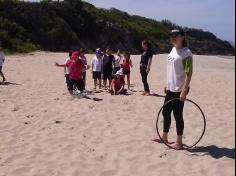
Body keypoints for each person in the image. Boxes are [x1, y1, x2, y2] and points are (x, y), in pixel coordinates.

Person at [158, 29, 193, 150]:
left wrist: (184, 90)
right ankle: (165, 137)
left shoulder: (186, 53)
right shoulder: (173, 49)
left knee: (178, 115)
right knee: (165, 112)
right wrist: (167, 83)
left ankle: (179, 142)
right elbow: (171, 69)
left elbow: (189, 73)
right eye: (171, 35)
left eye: (175, 35)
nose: (172, 37)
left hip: (179, 89)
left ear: (182, 37)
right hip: (170, 87)